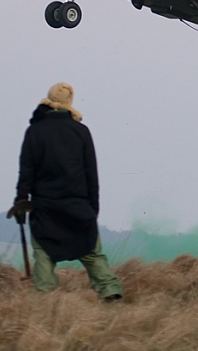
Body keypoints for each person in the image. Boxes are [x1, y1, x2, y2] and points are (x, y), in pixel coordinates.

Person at [8, 82, 124, 301]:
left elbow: (26, 172)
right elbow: (91, 174)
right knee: (92, 253)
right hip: (78, 207)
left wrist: (21, 200)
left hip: (45, 208)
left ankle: (45, 301)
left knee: (44, 255)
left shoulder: (34, 131)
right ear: (69, 102)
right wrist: (93, 209)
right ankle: (111, 293)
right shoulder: (81, 131)